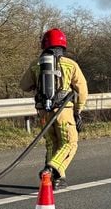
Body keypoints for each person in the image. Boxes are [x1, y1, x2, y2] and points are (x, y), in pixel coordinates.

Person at [20, 28, 88, 189]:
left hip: (44, 112)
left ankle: (57, 179)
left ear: (44, 45)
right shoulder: (70, 64)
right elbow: (82, 90)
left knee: (52, 143)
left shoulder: (36, 64)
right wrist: (78, 111)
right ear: (63, 46)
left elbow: (23, 86)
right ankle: (50, 169)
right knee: (70, 143)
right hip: (63, 111)